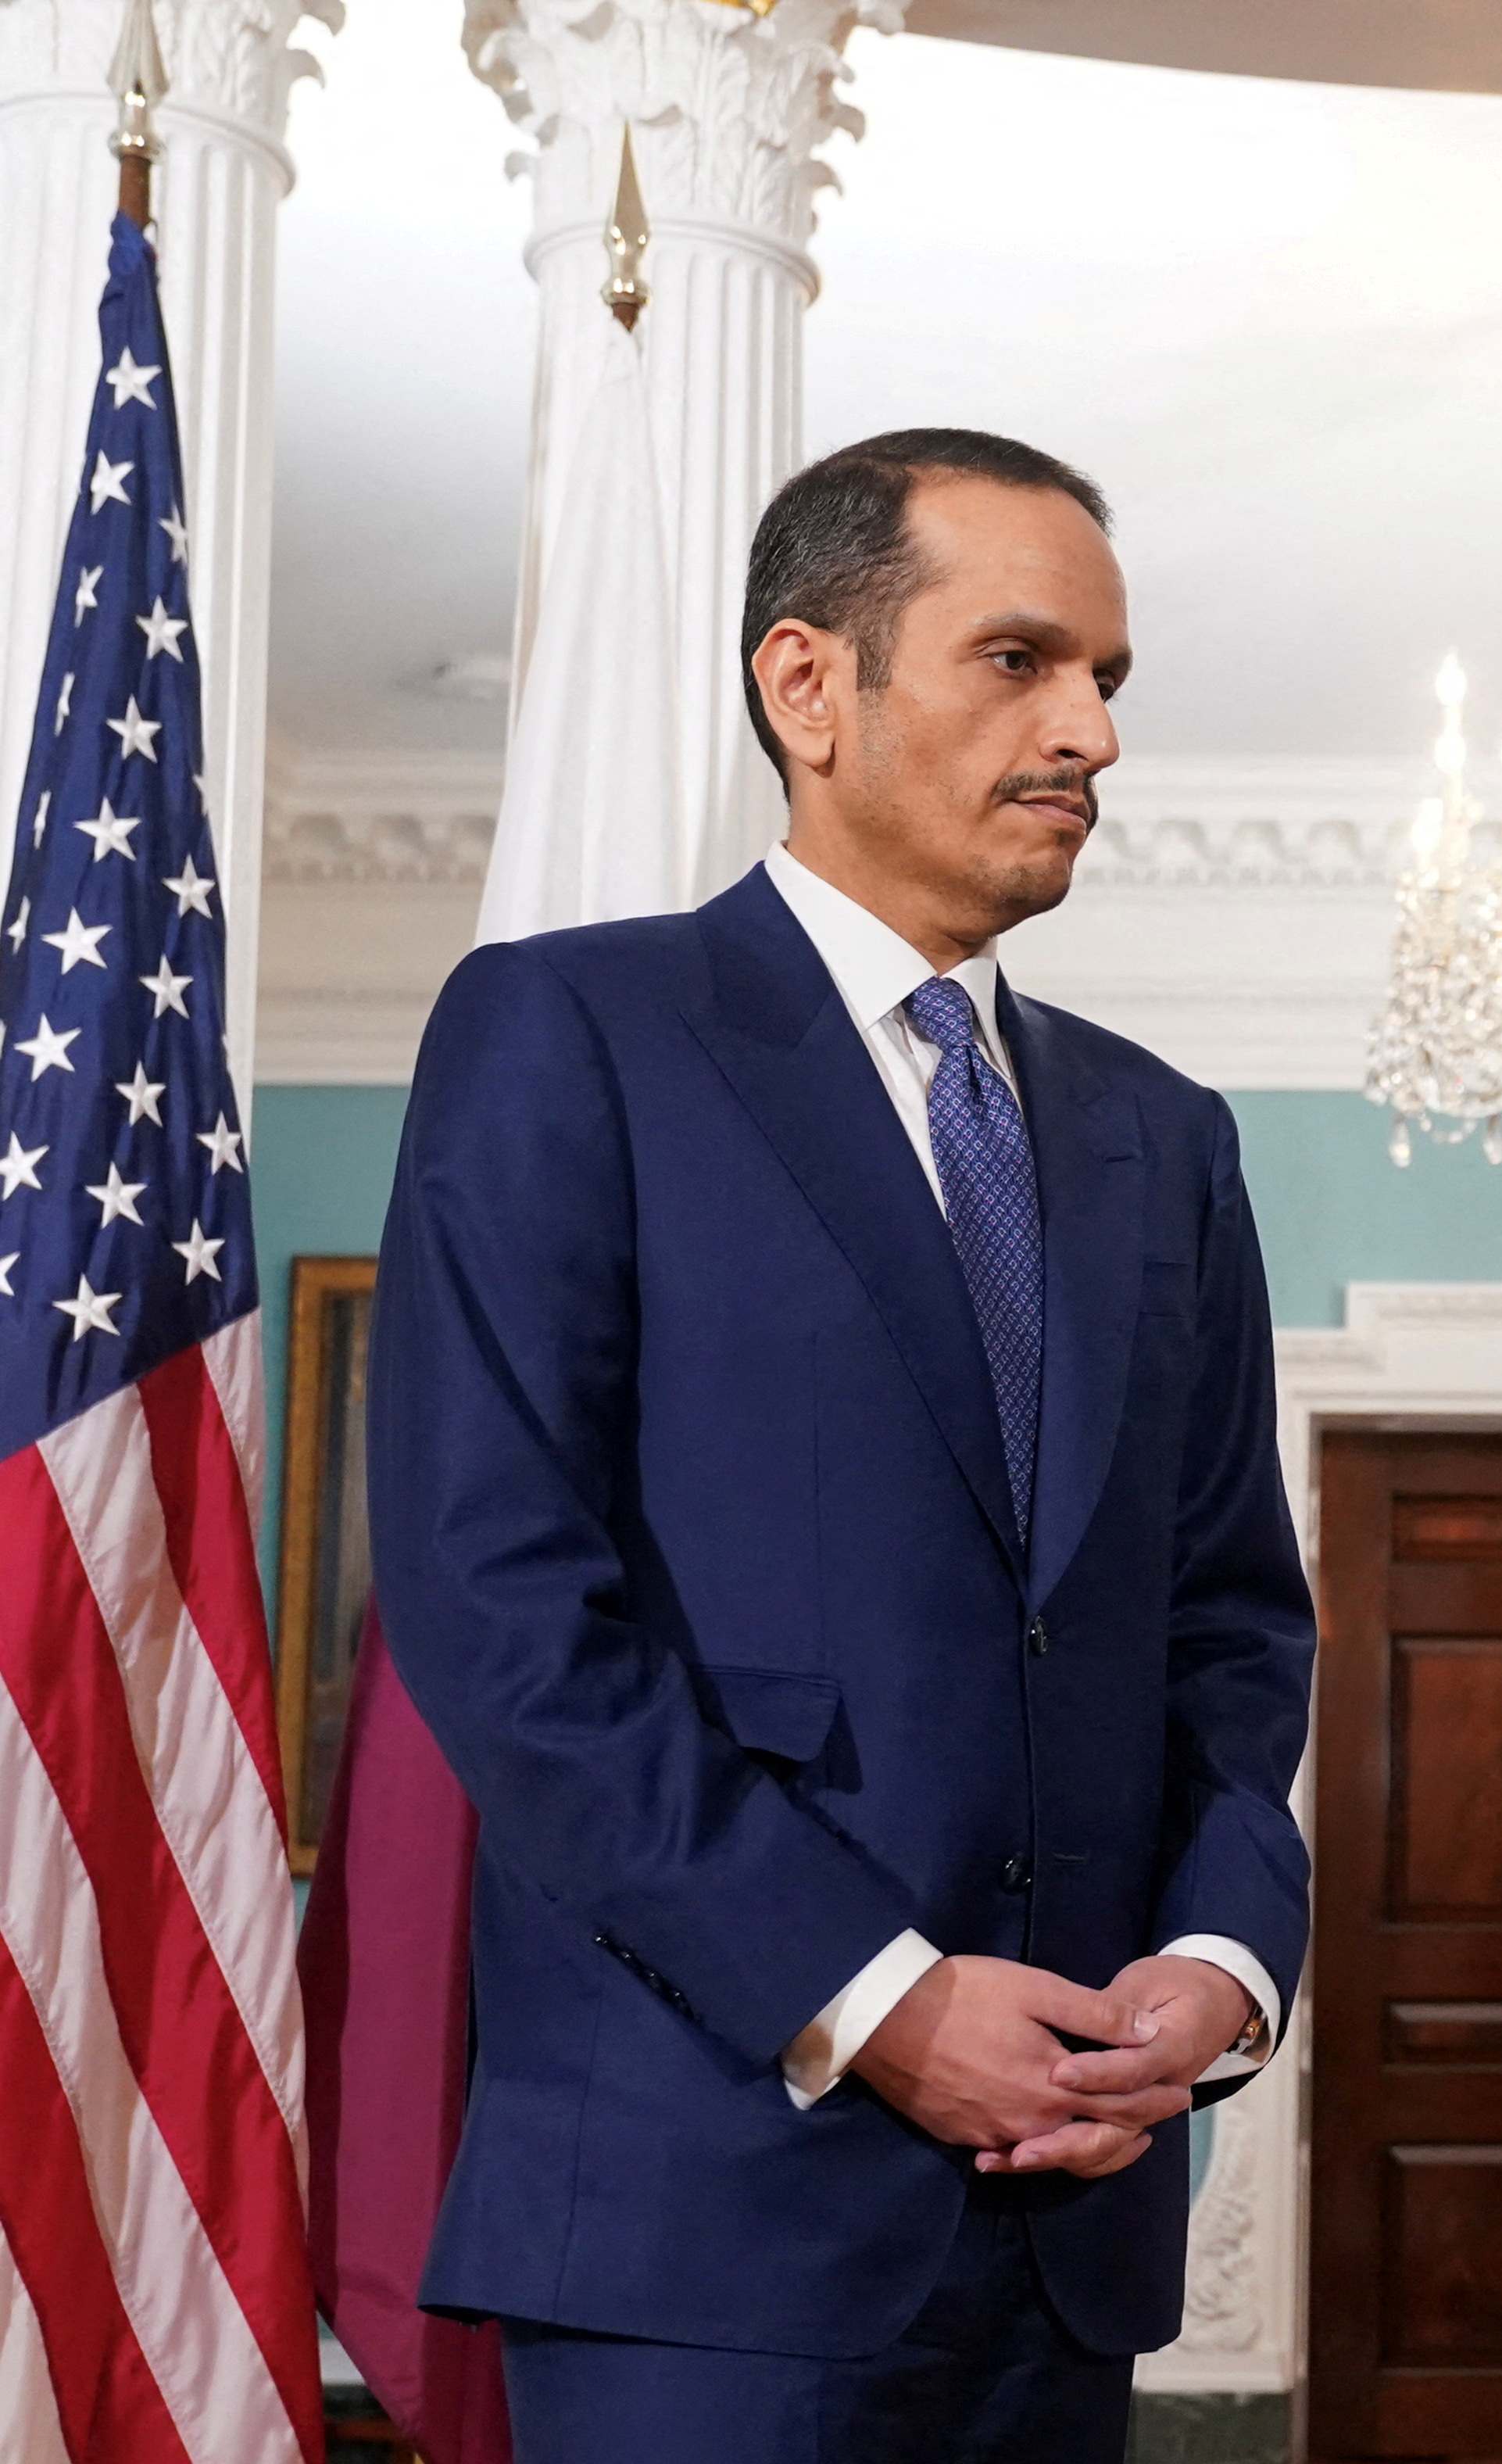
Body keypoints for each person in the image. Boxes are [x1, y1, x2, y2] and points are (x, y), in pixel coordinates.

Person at [370, 428, 1314, 2463]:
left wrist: (1224, 1962)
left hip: (1070, 2232)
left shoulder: (1169, 1139)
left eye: (1107, 681)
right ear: (810, 684)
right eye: (1021, 661)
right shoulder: (570, 1037)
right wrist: (876, 1997)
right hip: (698, 2230)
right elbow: (501, 1614)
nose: (1091, 734)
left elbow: (1233, 1628)